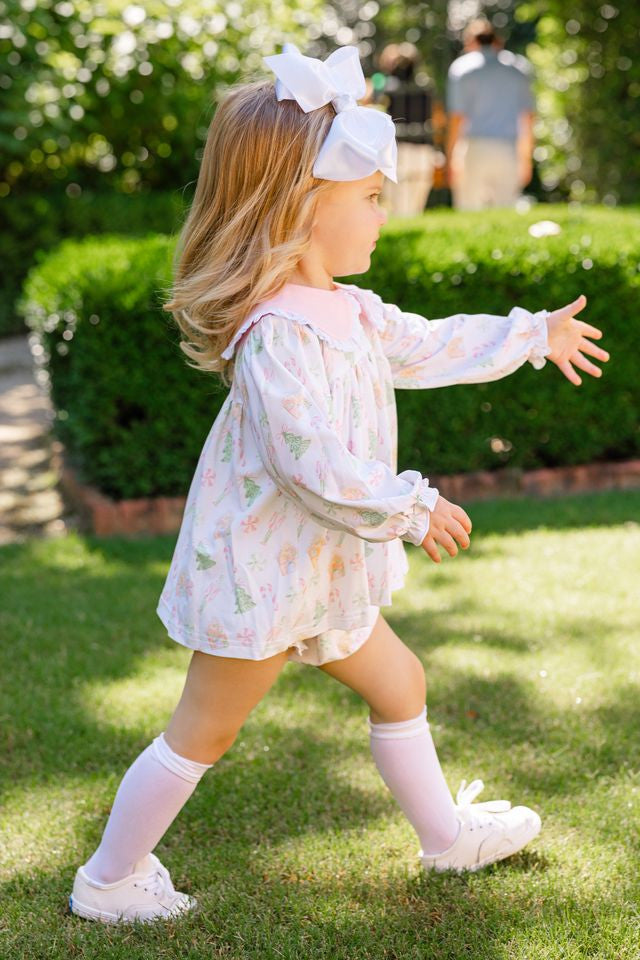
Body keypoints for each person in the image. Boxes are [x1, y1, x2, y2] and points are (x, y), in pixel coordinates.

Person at [69, 40, 609, 924]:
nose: (382, 215)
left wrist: (526, 334)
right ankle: (109, 877)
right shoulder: (277, 332)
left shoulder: (347, 309)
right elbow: (308, 463)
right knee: (204, 728)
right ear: (295, 209)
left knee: (400, 684)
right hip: (263, 578)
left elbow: (428, 343)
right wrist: (412, 505)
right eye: (368, 198)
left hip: (319, 572)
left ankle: (446, 839)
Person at [446, 18, 536, 210]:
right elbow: (527, 118)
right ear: (497, 41)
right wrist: (526, 157)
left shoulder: (462, 69)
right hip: (509, 148)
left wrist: (451, 155)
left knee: (469, 209)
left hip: (475, 147)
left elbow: (457, 118)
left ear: (471, 42)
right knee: (506, 210)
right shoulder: (518, 69)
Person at [364, 42, 440, 217]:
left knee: (399, 202)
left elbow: (367, 100)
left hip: (399, 150)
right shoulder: (426, 87)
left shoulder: (385, 86)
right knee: (416, 202)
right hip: (423, 149)